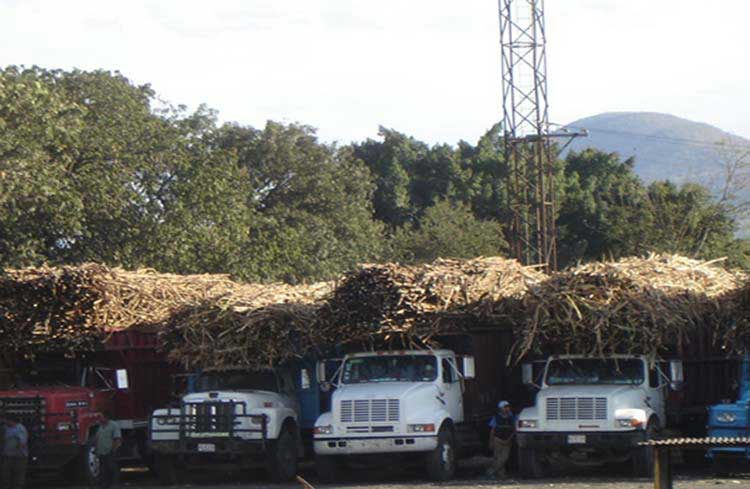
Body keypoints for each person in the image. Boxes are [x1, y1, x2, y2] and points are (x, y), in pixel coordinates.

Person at [486, 400, 515, 479]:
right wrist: (491, 441)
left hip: (507, 441)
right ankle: (501, 475)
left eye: (508, 407)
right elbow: (492, 430)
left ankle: (491, 471)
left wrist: (510, 439)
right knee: (497, 457)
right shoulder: (496, 418)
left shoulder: (512, 417)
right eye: (505, 407)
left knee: (504, 457)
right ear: (500, 408)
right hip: (497, 440)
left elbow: (514, 429)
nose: (507, 409)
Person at [92, 412, 121, 488]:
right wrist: (96, 450)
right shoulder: (100, 427)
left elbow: (117, 438)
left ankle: (114, 484)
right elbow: (97, 439)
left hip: (110, 451)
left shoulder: (113, 425)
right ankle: (104, 484)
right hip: (101, 452)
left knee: (112, 468)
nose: (99, 419)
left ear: (106, 417)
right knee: (103, 469)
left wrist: (113, 450)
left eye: (101, 417)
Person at [1, 414, 28, 489]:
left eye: (5, 420)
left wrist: (18, 448)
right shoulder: (6, 428)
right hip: (8, 456)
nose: (4, 422)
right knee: (5, 476)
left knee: (18, 478)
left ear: (10, 420)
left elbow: (22, 442)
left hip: (18, 457)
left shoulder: (20, 428)